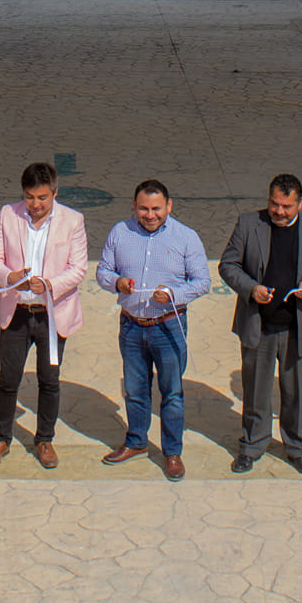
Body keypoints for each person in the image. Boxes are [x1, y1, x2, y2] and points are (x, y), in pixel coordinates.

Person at [219, 172, 302, 475]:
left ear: (300, 203)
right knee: (256, 390)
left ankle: (298, 448)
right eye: (274, 204)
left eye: (286, 206)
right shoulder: (248, 224)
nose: (279, 211)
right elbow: (228, 265)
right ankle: (252, 445)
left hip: (298, 326)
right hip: (259, 325)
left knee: (296, 391)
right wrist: (250, 288)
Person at [96, 180, 211, 482]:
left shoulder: (186, 238)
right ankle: (136, 442)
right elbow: (103, 272)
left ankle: (172, 452)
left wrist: (174, 294)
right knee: (135, 390)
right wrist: (117, 283)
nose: (150, 215)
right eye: (143, 209)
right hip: (132, 325)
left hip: (168, 327)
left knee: (171, 393)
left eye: (156, 209)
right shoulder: (120, 233)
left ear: (169, 206)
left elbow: (202, 281)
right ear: (134, 206)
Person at [0, 160, 89, 469]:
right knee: (8, 379)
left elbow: (78, 268)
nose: (36, 204)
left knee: (49, 379)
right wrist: (11, 276)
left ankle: (44, 439)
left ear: (55, 193)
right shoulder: (7, 214)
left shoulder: (73, 220)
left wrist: (50, 284)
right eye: (29, 197)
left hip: (52, 314)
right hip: (16, 311)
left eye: (42, 197)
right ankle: (1, 438)